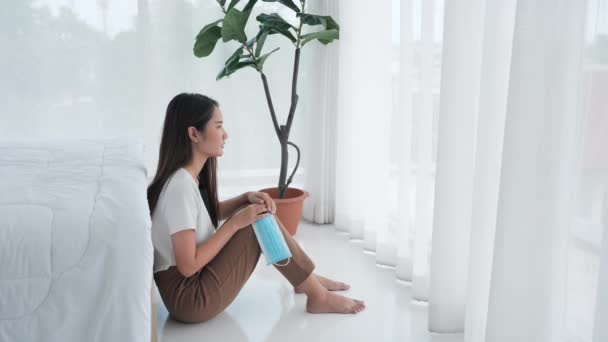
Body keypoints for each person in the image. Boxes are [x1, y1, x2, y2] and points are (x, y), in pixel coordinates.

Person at [147, 93, 366, 323]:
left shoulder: (186, 179)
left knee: (256, 211)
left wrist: (245, 199)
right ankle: (314, 291)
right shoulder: (180, 186)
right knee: (256, 221)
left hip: (191, 288)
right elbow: (188, 265)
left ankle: (306, 280)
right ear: (194, 133)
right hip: (189, 299)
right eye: (219, 126)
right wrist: (237, 222)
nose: (226, 135)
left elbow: (203, 215)